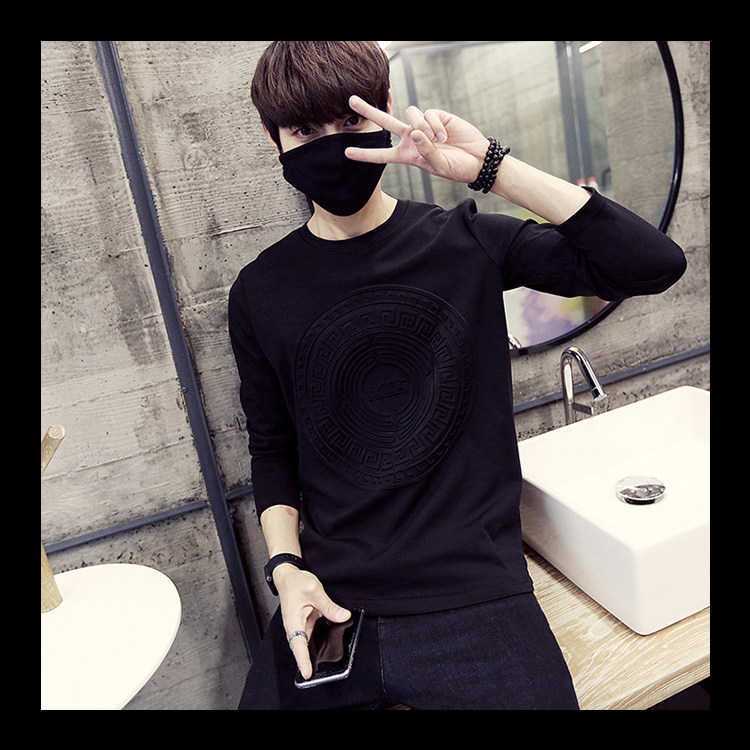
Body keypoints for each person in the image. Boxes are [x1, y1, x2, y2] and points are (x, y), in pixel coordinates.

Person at [230, 41, 686, 710]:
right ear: (274, 139)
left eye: (351, 121)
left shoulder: (467, 242)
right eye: (304, 130)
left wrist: (491, 168)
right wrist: (286, 570)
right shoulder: (260, 289)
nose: (333, 146)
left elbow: (653, 264)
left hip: (476, 591)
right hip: (334, 596)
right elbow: (273, 448)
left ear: (386, 110)